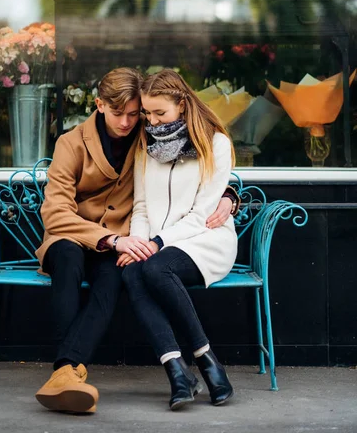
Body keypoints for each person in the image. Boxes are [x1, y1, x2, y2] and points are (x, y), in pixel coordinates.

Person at [34, 67, 239, 414]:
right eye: (123, 114)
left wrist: (230, 195)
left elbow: (202, 188)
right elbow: (59, 212)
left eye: (137, 113)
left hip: (165, 241)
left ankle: (198, 364)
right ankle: (69, 370)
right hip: (85, 235)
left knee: (130, 274)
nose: (132, 122)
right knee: (78, 262)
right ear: (99, 105)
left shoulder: (155, 139)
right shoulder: (79, 143)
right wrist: (123, 240)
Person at [121, 69, 238, 411]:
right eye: (147, 113)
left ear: (183, 105)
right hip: (160, 243)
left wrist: (157, 243)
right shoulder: (146, 147)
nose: (152, 121)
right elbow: (141, 207)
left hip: (206, 240)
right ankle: (177, 372)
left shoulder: (214, 143)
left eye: (160, 113)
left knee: (155, 269)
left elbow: (202, 213)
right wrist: (139, 243)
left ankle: (205, 360)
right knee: (131, 271)